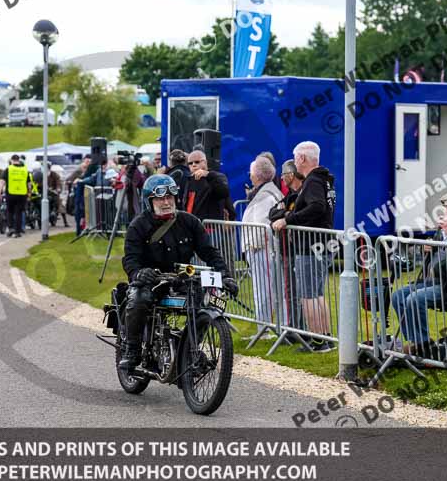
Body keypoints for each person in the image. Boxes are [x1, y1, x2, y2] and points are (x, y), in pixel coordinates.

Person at [119, 174, 238, 371]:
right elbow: (130, 258)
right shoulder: (138, 225)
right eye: (160, 198)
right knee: (139, 298)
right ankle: (132, 350)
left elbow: (209, 252)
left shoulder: (190, 222)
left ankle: (189, 350)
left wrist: (225, 275)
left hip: (180, 278)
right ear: (150, 201)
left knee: (202, 298)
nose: (166, 202)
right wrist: (139, 274)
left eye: (170, 197)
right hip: (151, 279)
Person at [392, 191, 447, 353]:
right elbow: (440, 251)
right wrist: (430, 248)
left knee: (414, 299)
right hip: (434, 281)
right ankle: (416, 341)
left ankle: (422, 345)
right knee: (398, 296)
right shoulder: (443, 227)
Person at [271, 141, 336, 352]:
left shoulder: (313, 181)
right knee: (316, 294)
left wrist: (289, 219)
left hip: (310, 246)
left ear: (302, 159)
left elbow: (317, 207)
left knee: (308, 295)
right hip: (320, 244)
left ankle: (318, 341)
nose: (294, 163)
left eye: (295, 157)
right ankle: (325, 337)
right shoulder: (323, 179)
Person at [241, 157, 282, 326]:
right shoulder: (267, 191)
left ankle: (263, 327)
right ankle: (265, 325)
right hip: (263, 247)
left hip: (260, 248)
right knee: (265, 287)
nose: (250, 175)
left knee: (263, 288)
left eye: (252, 172)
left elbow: (261, 224)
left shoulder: (264, 195)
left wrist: (253, 245)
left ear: (257, 175)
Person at [184, 150, 230, 222]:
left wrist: (208, 175)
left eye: (197, 162)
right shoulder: (189, 180)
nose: (193, 165)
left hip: (210, 227)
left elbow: (224, 192)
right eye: (190, 163)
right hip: (192, 225)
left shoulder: (216, 176)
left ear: (205, 162)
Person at [0, 154, 30, 238]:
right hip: (22, 194)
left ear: (11, 160)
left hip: (11, 194)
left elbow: (2, 182)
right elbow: (29, 184)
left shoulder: (8, 169)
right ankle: (18, 232)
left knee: (10, 211)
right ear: (19, 160)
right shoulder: (25, 170)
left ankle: (11, 228)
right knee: (19, 212)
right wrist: (29, 193)